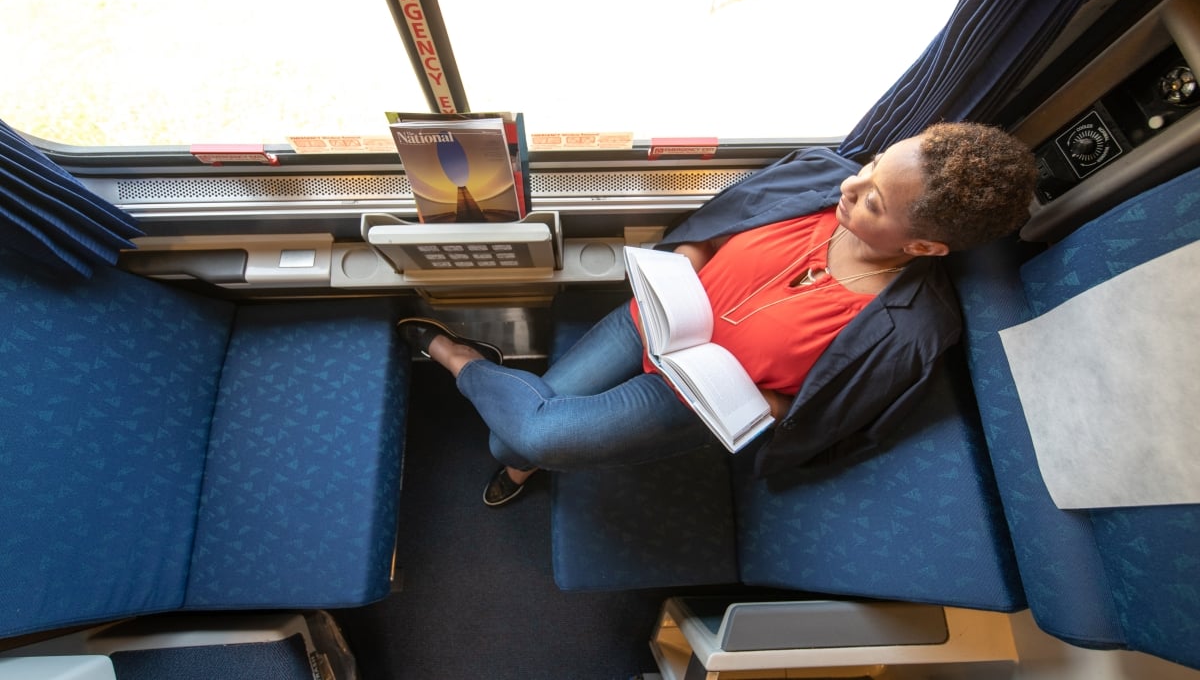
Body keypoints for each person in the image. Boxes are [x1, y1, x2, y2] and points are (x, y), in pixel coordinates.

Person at [399, 122, 1038, 506]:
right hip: (650, 320)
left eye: (873, 199)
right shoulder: (814, 175)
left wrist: (751, 401)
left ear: (922, 246)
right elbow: (706, 231)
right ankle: (506, 428)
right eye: (871, 166)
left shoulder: (916, 330)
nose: (849, 185)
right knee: (516, 437)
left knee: (522, 435)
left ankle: (461, 358)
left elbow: (823, 412)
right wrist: (680, 268)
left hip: (692, 397)